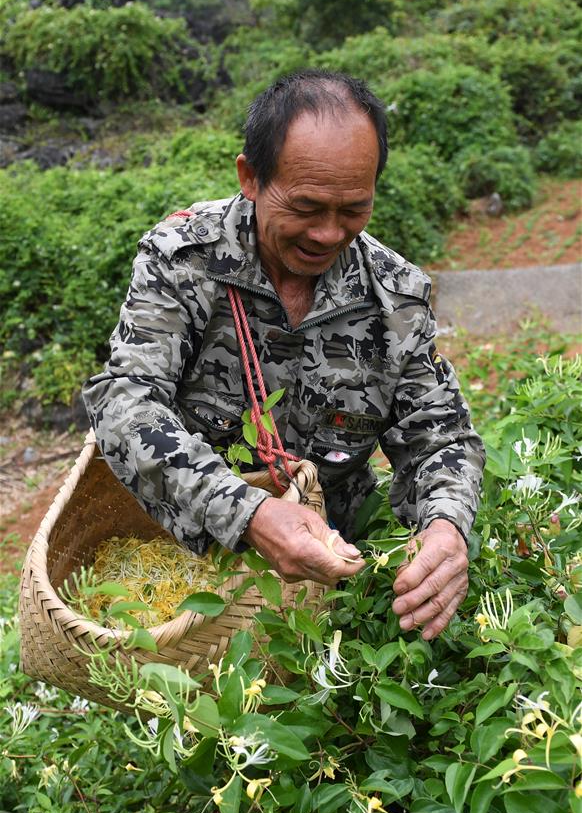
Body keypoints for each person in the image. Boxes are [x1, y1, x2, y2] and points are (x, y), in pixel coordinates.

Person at [83, 70, 485, 641]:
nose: (328, 233)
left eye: (353, 210)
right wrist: (246, 514)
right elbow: (125, 400)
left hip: (333, 584)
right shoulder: (185, 261)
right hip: (194, 586)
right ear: (250, 177)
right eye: (306, 207)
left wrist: (446, 526)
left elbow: (440, 438)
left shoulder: (394, 296)